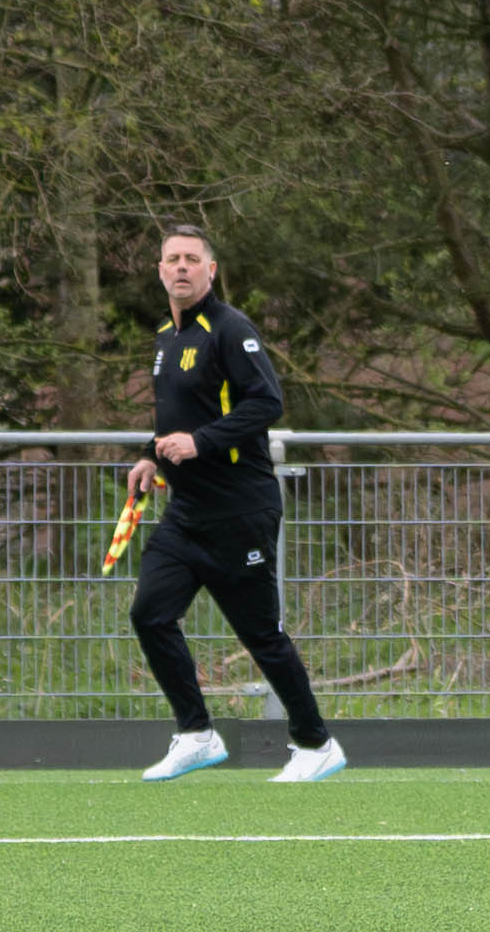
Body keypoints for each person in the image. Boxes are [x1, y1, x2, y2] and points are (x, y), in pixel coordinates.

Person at [125, 224, 346, 783]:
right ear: (160, 270)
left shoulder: (230, 329)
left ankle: (316, 743)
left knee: (260, 635)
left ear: (211, 270)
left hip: (239, 510)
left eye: (191, 258)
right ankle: (196, 734)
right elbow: (175, 415)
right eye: (172, 258)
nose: (181, 267)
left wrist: (201, 443)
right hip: (186, 514)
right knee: (150, 614)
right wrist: (150, 456)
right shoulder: (166, 336)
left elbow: (266, 402)